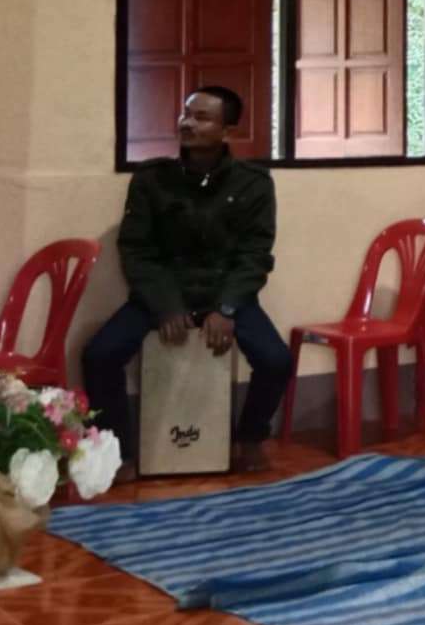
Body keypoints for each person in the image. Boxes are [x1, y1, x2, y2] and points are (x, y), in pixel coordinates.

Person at [83, 87, 291, 480]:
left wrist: (227, 308)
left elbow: (255, 254)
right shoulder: (151, 180)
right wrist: (166, 305)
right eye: (186, 113)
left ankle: (249, 438)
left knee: (276, 360)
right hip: (166, 292)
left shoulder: (254, 183)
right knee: (99, 355)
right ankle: (119, 451)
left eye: (201, 117)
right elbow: (137, 250)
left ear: (227, 131)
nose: (187, 123)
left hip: (225, 291)